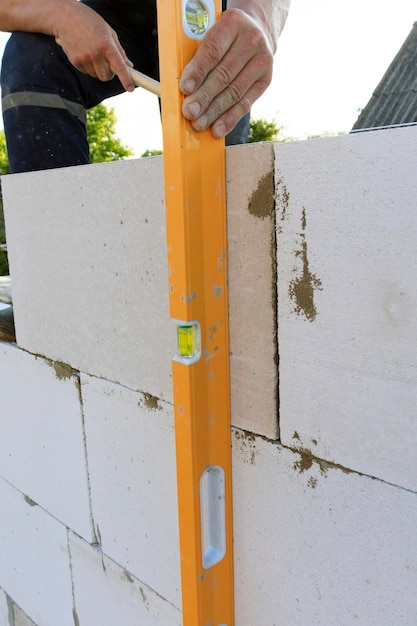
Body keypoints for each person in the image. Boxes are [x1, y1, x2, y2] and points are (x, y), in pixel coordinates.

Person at [0, 0, 290, 340]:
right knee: (32, 58)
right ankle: (58, 293)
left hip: (202, 14)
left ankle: (220, 298)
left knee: (206, 124)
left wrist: (261, 16)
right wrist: (58, 13)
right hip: (110, 11)